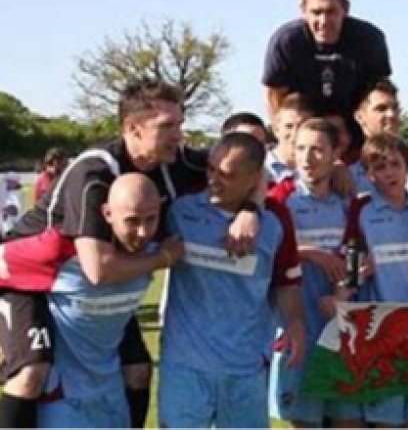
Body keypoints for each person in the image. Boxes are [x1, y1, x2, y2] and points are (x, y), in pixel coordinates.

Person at [0, 79, 258, 430]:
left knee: (138, 371)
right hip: (25, 279)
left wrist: (250, 211)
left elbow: (252, 167)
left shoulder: (176, 161)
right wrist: (164, 257)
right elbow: (99, 269)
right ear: (133, 129)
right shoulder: (95, 173)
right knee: (32, 372)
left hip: (86, 286)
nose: (179, 135)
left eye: (180, 124)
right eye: (167, 126)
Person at [0, 174, 182, 428]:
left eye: (151, 219)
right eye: (131, 221)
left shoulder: (160, 246)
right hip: (62, 391)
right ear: (107, 214)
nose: (142, 232)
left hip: (108, 388)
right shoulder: (60, 252)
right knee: (30, 375)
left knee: (139, 371)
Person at [158, 133, 304, 429]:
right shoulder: (180, 209)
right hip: (184, 364)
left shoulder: (275, 221)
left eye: (227, 175)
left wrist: (295, 322)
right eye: (211, 169)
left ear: (255, 179)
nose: (213, 180)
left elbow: (285, 282)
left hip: (245, 365)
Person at [266, 118, 362, 429]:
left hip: (341, 328)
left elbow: (356, 256)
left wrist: (342, 295)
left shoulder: (347, 203)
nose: (307, 158)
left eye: (318, 150)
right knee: (305, 422)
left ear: (336, 154)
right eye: (301, 148)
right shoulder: (279, 199)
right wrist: (307, 252)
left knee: (348, 420)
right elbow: (265, 255)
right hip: (297, 330)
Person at [338, 134, 408, 428]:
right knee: (386, 420)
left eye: (396, 164)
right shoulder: (362, 211)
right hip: (381, 331)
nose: (390, 173)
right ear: (369, 174)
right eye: (380, 167)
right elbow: (352, 265)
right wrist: (350, 283)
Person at [263, 0, 391, 153]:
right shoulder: (286, 41)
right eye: (316, 12)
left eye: (331, 12)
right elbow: (275, 95)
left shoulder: (370, 39)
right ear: (303, 10)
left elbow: (380, 93)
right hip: (302, 130)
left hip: (354, 131)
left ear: (345, 8)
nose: (323, 21)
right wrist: (287, 139)